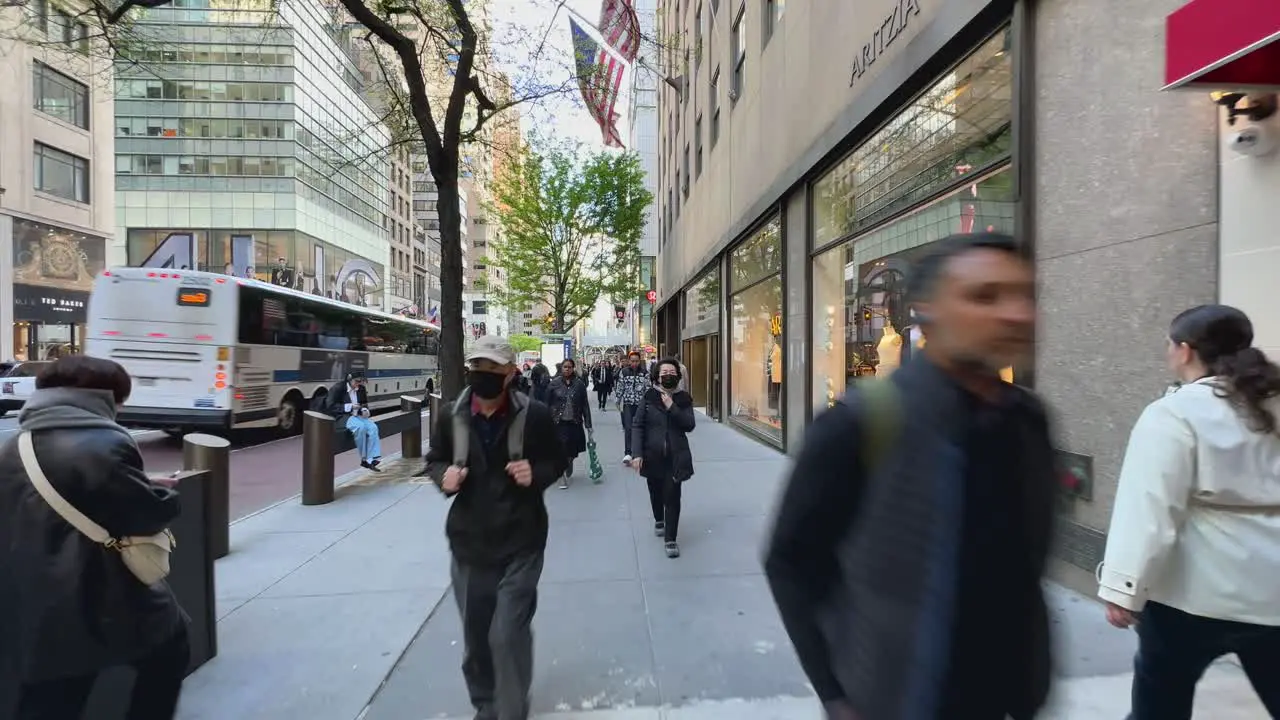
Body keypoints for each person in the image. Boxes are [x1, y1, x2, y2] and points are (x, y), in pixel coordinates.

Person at [764, 233, 1054, 720]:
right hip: (896, 700)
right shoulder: (858, 425)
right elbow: (790, 562)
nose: (1015, 314)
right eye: (984, 296)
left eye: (1026, 296)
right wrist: (835, 693)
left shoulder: (1028, 420)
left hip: (1007, 698)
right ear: (928, 311)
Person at [1098, 304, 1280, 719]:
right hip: (1274, 595)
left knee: (1159, 705)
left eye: (1168, 344)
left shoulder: (1174, 412)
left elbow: (1147, 510)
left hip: (1191, 598)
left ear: (1184, 350)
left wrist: (1123, 588)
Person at [0, 355, 189, 720]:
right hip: (96, 588)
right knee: (170, 643)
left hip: (27, 589)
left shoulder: (17, 444)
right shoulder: (105, 442)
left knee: (52, 689)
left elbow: (59, 488)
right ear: (103, 397)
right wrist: (165, 495)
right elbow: (146, 514)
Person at [422, 336, 564, 720]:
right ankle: (485, 704)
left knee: (507, 633)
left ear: (510, 374)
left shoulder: (532, 415)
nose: (483, 375)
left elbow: (557, 459)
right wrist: (443, 476)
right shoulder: (451, 415)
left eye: (492, 369)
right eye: (477, 367)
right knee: (477, 638)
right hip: (470, 545)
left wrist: (537, 473)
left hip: (522, 542)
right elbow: (434, 459)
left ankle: (512, 709)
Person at [630, 358, 696, 558]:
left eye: (671, 372)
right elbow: (637, 425)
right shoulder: (649, 397)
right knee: (655, 491)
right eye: (664, 372)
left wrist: (671, 406)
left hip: (676, 456)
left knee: (673, 496)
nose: (668, 375)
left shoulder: (683, 398)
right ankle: (659, 518)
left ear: (677, 375)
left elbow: (689, 425)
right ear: (657, 377)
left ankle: (671, 539)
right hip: (652, 454)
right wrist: (637, 453)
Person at [545, 358, 592, 489]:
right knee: (561, 448)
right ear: (561, 368)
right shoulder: (554, 384)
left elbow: (585, 405)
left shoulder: (579, 384)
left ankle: (569, 463)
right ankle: (561, 476)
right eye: (565, 367)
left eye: (569, 367)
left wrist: (588, 424)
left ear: (573, 368)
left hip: (574, 422)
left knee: (572, 450)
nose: (567, 369)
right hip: (558, 422)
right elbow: (546, 404)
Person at [325, 373, 382, 471]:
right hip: (343, 416)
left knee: (373, 427)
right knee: (360, 427)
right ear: (349, 380)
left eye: (361, 381)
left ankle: (371, 459)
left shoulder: (361, 389)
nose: (358, 384)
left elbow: (364, 405)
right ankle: (364, 459)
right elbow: (330, 406)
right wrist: (350, 406)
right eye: (357, 381)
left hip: (358, 416)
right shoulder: (338, 388)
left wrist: (365, 411)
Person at [614, 351, 649, 466]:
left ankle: (640, 453)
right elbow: (620, 387)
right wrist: (618, 400)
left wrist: (649, 403)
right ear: (629, 361)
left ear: (640, 361)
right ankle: (628, 453)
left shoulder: (644, 373)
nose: (634, 363)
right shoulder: (624, 372)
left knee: (640, 428)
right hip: (628, 404)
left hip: (641, 405)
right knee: (628, 428)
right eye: (632, 361)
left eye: (636, 361)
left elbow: (648, 389)